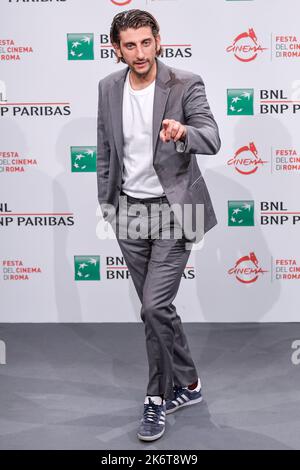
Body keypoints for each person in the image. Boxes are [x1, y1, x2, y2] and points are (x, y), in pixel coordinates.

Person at [96, 9, 221, 442]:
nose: (140, 52)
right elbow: (105, 149)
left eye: (146, 42)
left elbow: (212, 136)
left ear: (158, 40)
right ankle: (189, 385)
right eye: (129, 45)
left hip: (176, 211)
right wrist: (106, 204)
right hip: (128, 212)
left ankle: (157, 398)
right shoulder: (108, 87)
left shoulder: (184, 83)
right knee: (160, 310)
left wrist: (183, 131)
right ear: (116, 48)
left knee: (151, 308)